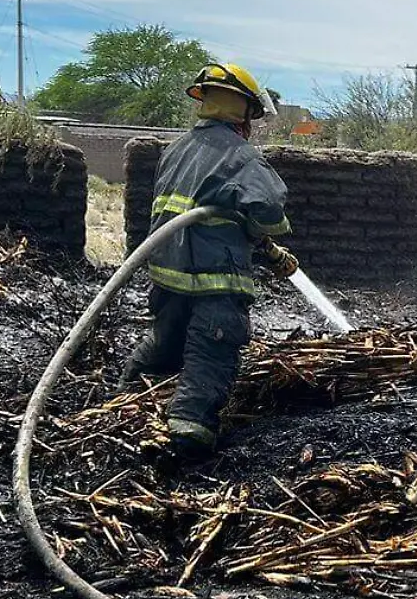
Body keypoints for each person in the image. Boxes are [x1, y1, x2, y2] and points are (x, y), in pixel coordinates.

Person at [125, 62, 300, 457]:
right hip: (216, 279)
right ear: (243, 112)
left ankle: (125, 393)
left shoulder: (176, 150)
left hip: (168, 275)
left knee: (164, 346)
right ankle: (189, 439)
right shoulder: (240, 157)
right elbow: (270, 211)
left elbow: (203, 208)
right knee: (211, 355)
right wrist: (266, 234)